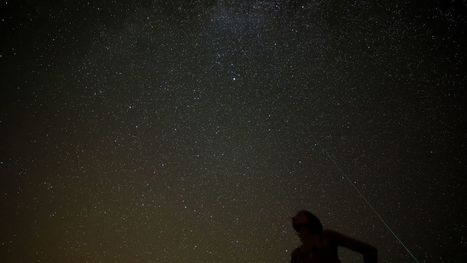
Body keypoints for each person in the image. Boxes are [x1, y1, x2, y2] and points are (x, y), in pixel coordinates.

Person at [291, 210, 377, 263]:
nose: (294, 217)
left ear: (310, 220)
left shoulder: (327, 237)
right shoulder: (296, 254)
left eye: (300, 215)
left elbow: (369, 251)